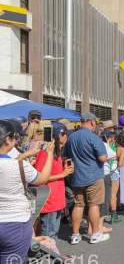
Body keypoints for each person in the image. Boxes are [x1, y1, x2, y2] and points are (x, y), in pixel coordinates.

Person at [0, 120, 55, 264]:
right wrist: (49, 153)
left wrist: (28, 153)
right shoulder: (19, 166)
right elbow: (42, 179)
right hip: (15, 224)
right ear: (7, 140)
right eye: (15, 137)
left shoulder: (18, 163)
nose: (16, 140)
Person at [62, 112, 109, 245]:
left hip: (76, 176)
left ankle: (75, 235)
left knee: (78, 205)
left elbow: (65, 157)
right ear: (92, 122)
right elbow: (103, 158)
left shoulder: (71, 137)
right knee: (94, 205)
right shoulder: (94, 137)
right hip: (93, 176)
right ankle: (95, 234)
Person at [35, 122, 74, 243]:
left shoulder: (56, 152)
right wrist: (62, 174)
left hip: (57, 199)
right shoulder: (45, 153)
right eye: (65, 135)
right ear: (59, 136)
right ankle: (47, 259)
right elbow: (40, 177)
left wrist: (65, 170)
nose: (66, 138)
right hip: (49, 200)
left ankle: (53, 256)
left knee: (54, 232)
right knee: (49, 234)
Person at [85, 130, 118, 235]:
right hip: (103, 173)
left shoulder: (85, 142)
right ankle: (99, 226)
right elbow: (113, 156)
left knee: (90, 201)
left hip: (89, 173)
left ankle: (90, 227)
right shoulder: (102, 144)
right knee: (103, 200)